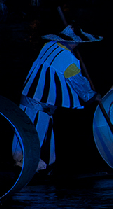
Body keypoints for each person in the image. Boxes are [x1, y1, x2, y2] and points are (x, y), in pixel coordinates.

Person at [11, 25, 102, 171]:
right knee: (33, 136)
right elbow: (77, 82)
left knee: (26, 134)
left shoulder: (49, 46)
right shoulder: (67, 59)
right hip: (40, 105)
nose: (78, 45)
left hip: (29, 100)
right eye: (77, 42)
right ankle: (29, 166)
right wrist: (92, 95)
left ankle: (32, 164)